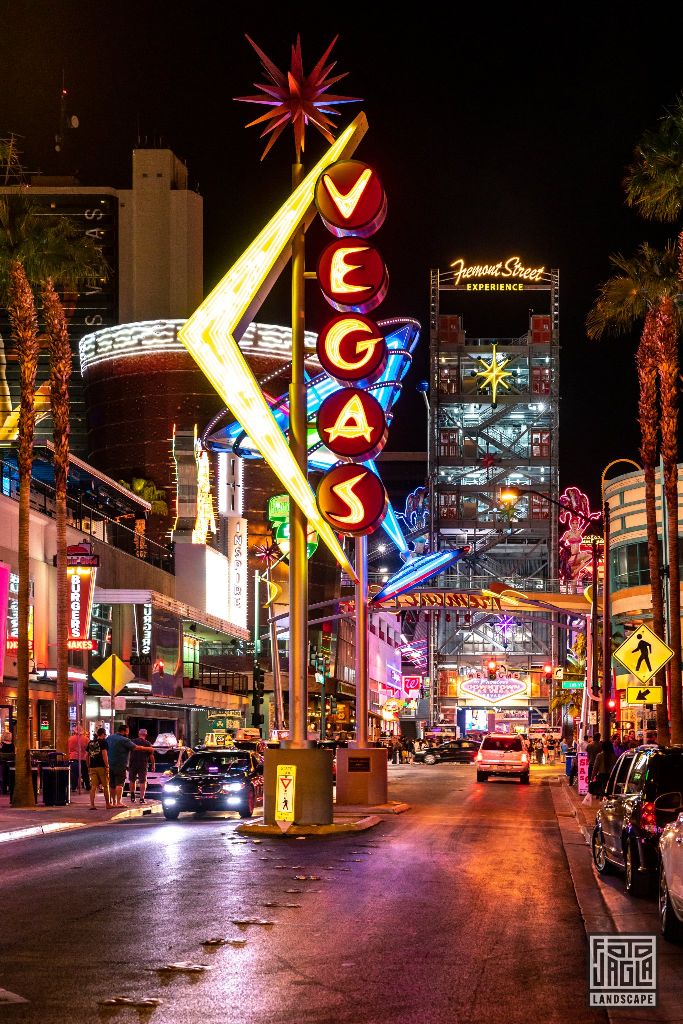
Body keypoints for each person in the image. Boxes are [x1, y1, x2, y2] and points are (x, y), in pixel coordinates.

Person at [107, 724, 154, 808]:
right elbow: (136, 748)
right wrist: (148, 748)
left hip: (111, 764)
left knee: (112, 784)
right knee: (120, 784)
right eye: (127, 731)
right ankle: (119, 802)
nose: (128, 733)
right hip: (121, 764)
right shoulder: (125, 740)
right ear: (124, 731)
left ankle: (113, 802)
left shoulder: (109, 738)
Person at [128, 728, 155, 804]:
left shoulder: (132, 742)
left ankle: (132, 795)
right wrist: (153, 765)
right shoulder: (148, 743)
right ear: (146, 734)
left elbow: (128, 753)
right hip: (143, 763)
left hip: (133, 763)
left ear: (138, 734)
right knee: (143, 781)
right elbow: (151, 756)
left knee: (132, 780)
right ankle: (141, 798)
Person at [86, 727, 111, 809]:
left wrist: (88, 765)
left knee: (93, 786)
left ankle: (92, 805)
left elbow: (87, 755)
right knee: (106, 786)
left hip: (92, 767)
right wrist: (107, 766)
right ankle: (108, 804)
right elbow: (104, 755)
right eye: (105, 734)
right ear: (103, 734)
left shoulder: (90, 743)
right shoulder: (104, 742)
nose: (105, 736)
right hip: (101, 766)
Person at [68, 726, 90, 792]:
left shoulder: (70, 739)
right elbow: (88, 749)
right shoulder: (86, 739)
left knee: (74, 774)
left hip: (73, 757)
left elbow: (69, 748)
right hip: (83, 758)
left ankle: (73, 787)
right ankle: (88, 786)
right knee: (85, 773)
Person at [0, 729, 14, 795]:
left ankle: (3, 790)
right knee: (10, 776)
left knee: (3, 776)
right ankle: (10, 789)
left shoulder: (1, 744)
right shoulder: (12, 745)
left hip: (2, 762)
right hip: (11, 762)